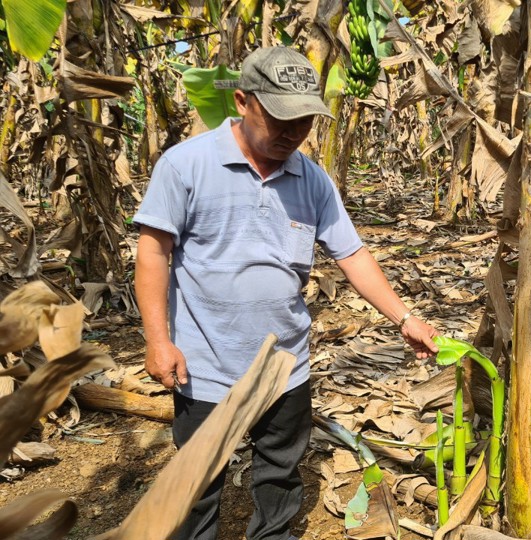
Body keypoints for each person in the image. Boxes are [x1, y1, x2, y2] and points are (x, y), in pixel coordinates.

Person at [133, 46, 438, 540]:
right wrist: (157, 340)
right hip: (205, 363)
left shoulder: (312, 178)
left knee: (279, 474)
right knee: (196, 484)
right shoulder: (186, 165)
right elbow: (152, 253)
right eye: (280, 118)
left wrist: (405, 318)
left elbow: (352, 255)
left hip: (285, 364)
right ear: (242, 101)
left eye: (304, 121)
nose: (293, 133)